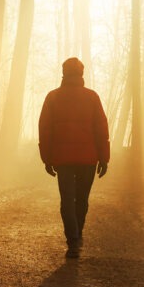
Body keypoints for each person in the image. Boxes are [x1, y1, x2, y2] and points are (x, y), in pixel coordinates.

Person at [38, 57, 110, 259]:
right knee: (82, 200)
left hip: (63, 159)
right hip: (88, 159)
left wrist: (47, 158)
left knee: (67, 200)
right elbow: (101, 128)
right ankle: (78, 236)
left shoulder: (53, 97)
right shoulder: (92, 97)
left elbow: (45, 129)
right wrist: (104, 158)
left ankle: (73, 241)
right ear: (81, 74)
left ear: (63, 73)